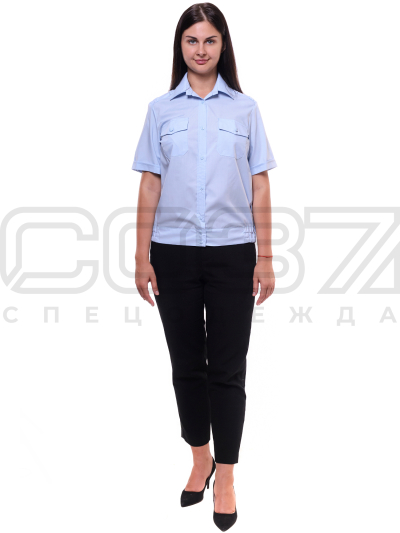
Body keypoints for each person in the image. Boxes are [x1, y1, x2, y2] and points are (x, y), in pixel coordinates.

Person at [132, 3, 276, 530]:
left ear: (223, 45)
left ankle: (228, 476)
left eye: (209, 40)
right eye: (191, 40)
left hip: (234, 252)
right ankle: (200, 459)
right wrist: (141, 256)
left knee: (229, 369)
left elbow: (260, 184)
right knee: (187, 365)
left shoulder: (245, 110)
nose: (200, 49)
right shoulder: (160, 110)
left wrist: (266, 258)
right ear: (181, 47)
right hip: (172, 252)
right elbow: (150, 183)